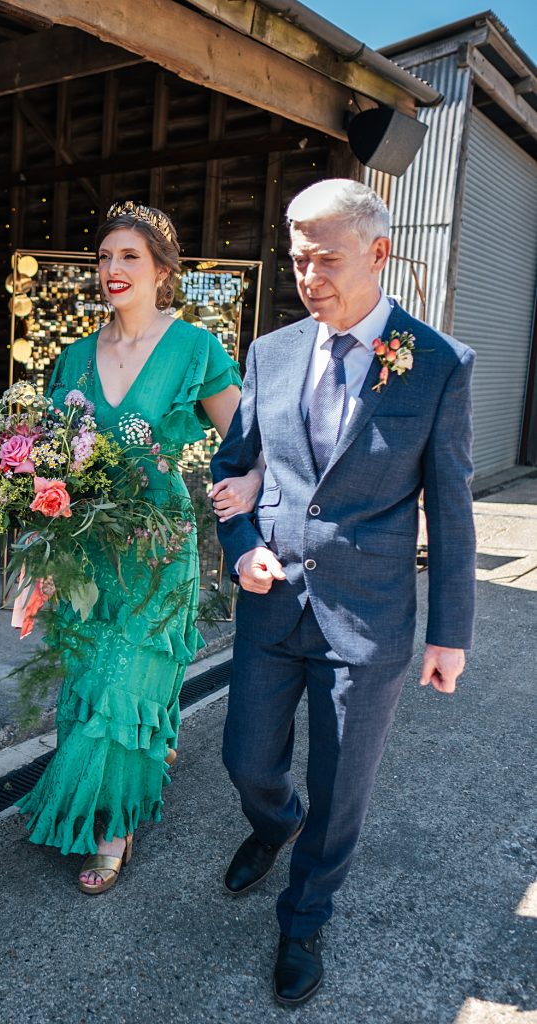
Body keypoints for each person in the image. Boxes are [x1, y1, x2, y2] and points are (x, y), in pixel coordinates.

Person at [210, 179, 476, 1005]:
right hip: (270, 602)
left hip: (369, 620)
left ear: (377, 252)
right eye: (297, 258)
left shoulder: (436, 364)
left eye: (325, 258)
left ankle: (302, 919)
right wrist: (242, 545)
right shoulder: (270, 352)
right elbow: (233, 469)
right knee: (244, 759)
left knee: (340, 790)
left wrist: (449, 634)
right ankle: (270, 821)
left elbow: (452, 507)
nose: (308, 275)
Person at [17, 201, 260, 893]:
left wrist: (248, 486)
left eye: (128, 256)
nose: (112, 268)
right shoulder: (70, 358)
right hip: (85, 558)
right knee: (92, 684)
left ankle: (112, 826)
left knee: (125, 684)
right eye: (104, 256)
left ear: (162, 269)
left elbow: (249, 440)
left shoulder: (194, 349)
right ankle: (124, 775)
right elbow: (48, 466)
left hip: (157, 552)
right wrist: (36, 556)